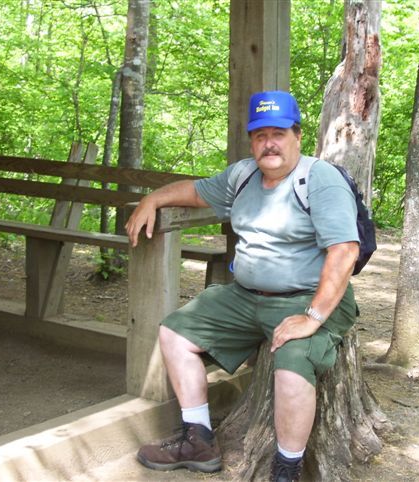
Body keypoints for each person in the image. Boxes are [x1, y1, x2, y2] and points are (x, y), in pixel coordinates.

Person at [125, 90, 360, 482]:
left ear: (297, 137)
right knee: (175, 332)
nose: (269, 143)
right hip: (244, 297)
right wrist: (152, 198)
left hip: (307, 299)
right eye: (260, 134)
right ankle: (198, 439)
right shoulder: (243, 174)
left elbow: (344, 252)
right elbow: (196, 191)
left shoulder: (320, 180)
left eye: (279, 133)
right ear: (251, 140)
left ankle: (286, 470)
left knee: (292, 362)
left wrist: (313, 317)